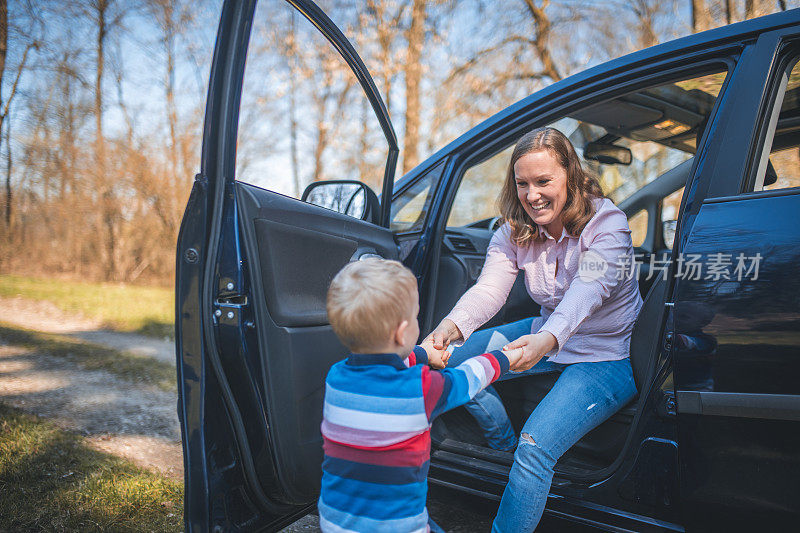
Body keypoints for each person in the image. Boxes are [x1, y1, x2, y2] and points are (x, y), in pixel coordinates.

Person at [425, 127, 643, 531]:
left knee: (535, 447)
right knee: (449, 364)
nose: (532, 194)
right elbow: (489, 289)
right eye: (522, 183)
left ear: (571, 177)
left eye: (544, 181)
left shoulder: (608, 225)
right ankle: (499, 440)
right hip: (544, 332)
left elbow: (589, 289)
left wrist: (547, 340)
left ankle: (516, 463)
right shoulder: (513, 231)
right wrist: (451, 326)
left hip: (606, 354)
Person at [318, 258, 525, 533]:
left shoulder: (336, 378)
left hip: (336, 521)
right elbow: (469, 376)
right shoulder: (422, 389)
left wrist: (424, 354)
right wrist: (505, 357)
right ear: (403, 332)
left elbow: (385, 366)